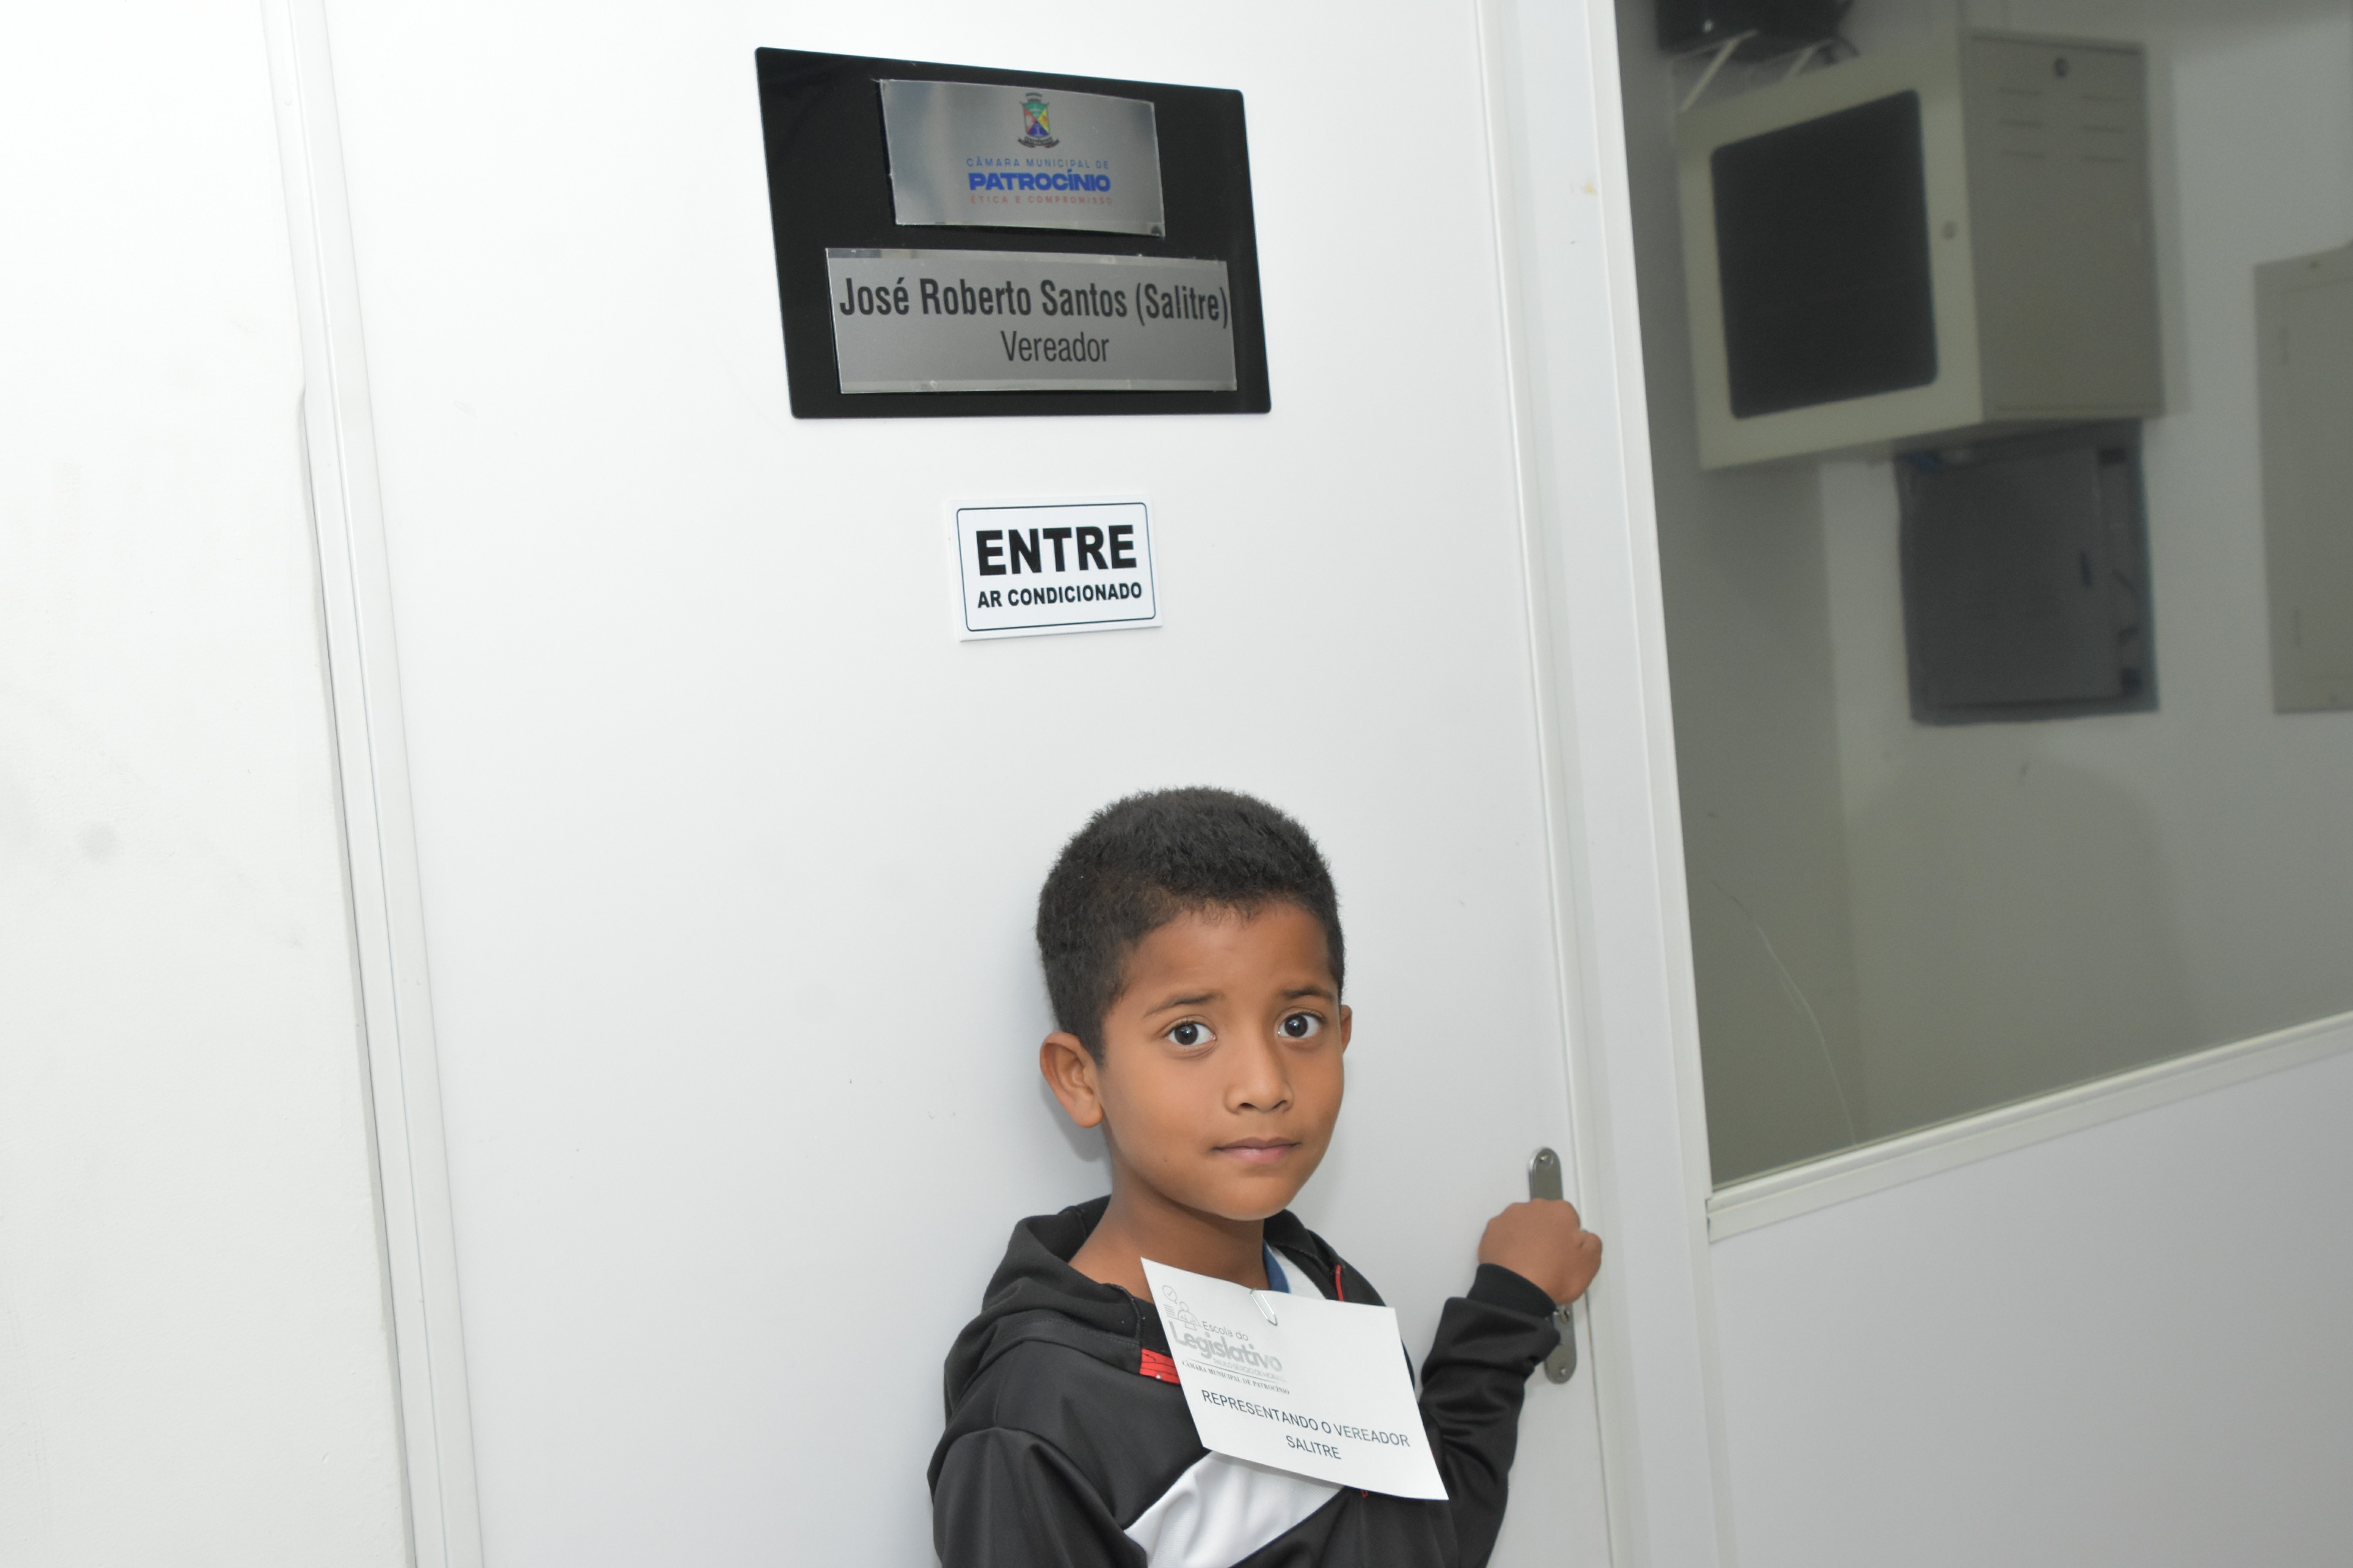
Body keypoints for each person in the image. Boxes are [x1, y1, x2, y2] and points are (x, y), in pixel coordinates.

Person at [930, 787, 1603, 1568]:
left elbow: (1420, 1539)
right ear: (1080, 1077)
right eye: (1189, 1032)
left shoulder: (1317, 1280)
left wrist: (1507, 1308)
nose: (1263, 1084)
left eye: (1297, 1024)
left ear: (1341, 1033)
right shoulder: (1036, 1428)